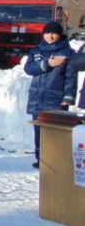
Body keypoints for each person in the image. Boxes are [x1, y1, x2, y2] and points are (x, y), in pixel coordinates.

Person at [24, 21, 77, 169]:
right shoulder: (36, 51)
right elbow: (28, 69)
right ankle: (41, 159)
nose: (50, 36)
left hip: (56, 99)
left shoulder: (67, 53)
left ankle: (55, 159)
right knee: (38, 130)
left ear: (59, 35)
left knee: (55, 132)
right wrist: (47, 64)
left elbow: (70, 76)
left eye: (53, 33)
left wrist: (68, 96)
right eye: (47, 33)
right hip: (37, 97)